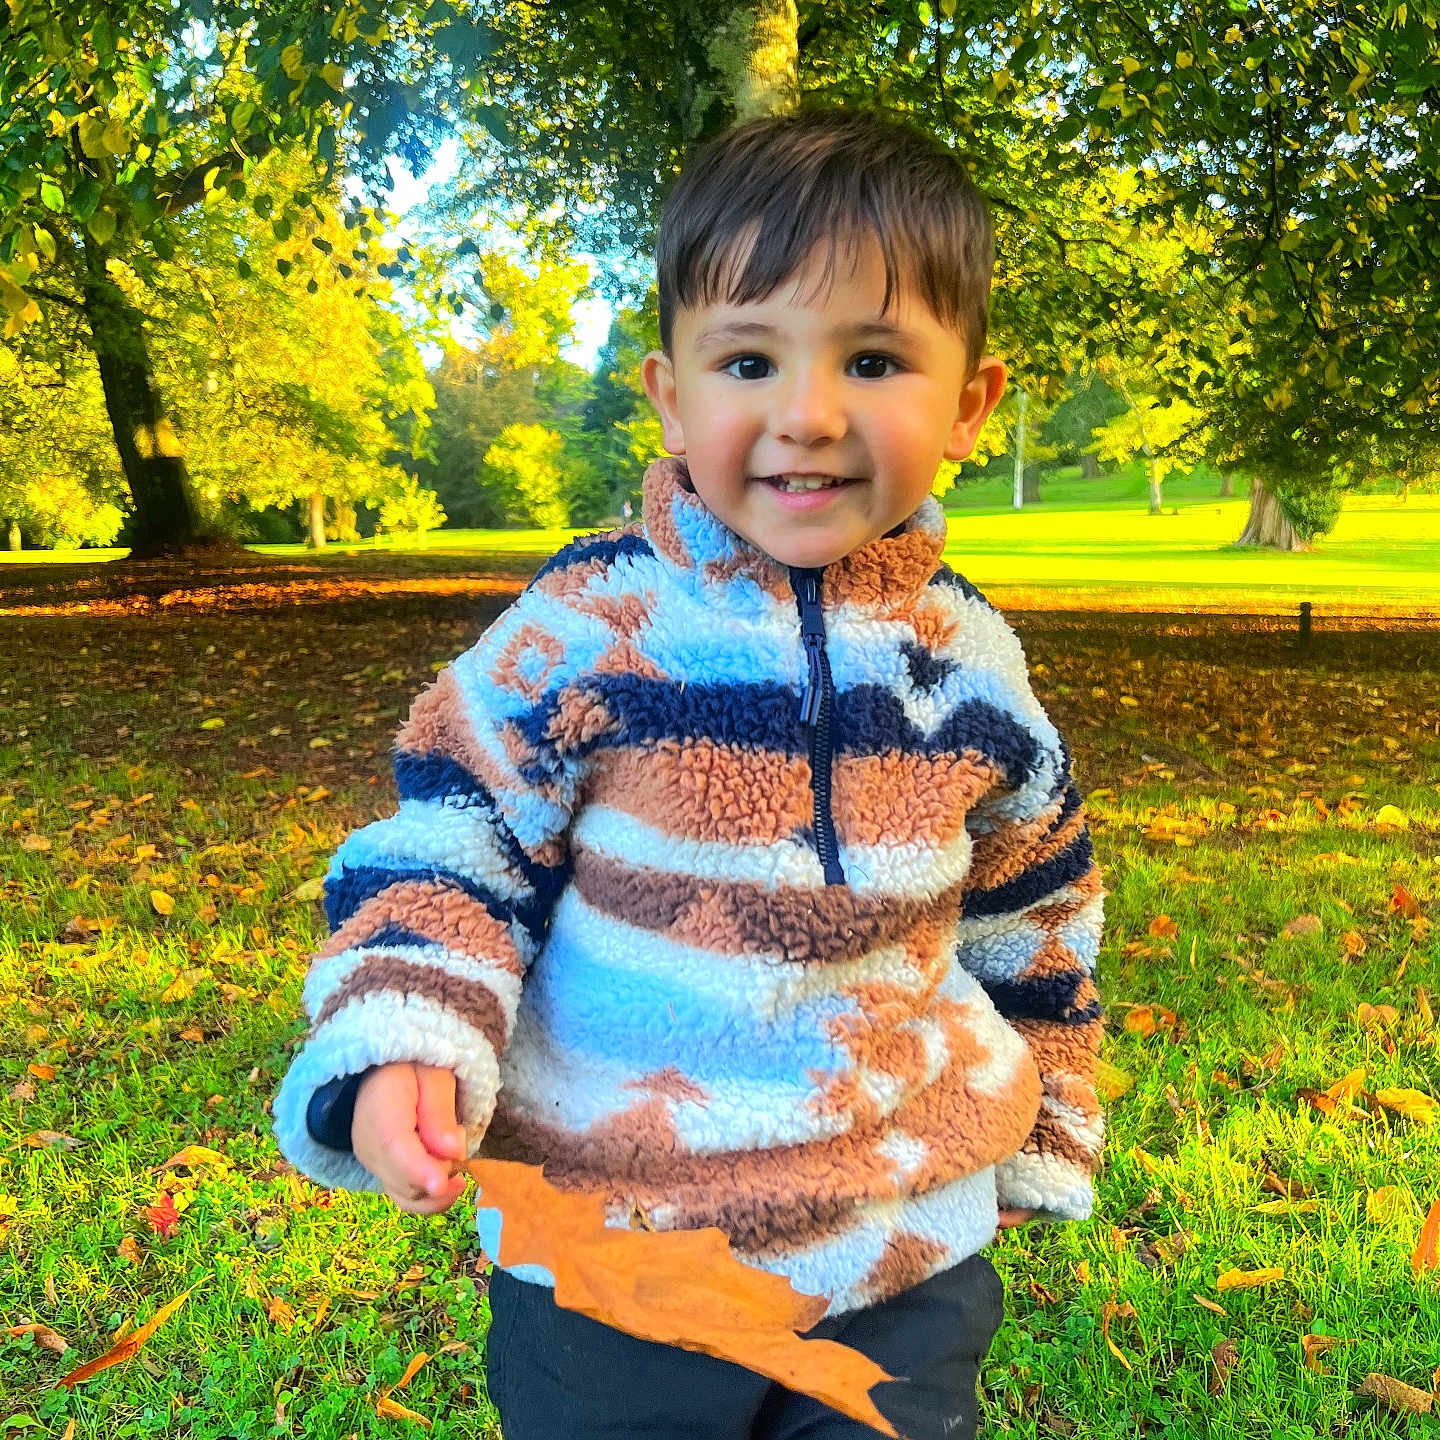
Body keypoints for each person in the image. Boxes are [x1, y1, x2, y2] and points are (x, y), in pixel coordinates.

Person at [273, 106, 1106, 1440]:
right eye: (750, 360)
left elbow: (1036, 900)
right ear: (672, 397)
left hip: (897, 1249)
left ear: (969, 405)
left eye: (875, 359)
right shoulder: (585, 630)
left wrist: (1049, 1117)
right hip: (614, 1249)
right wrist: (410, 1031)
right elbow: (454, 841)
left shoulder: (971, 667)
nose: (808, 415)